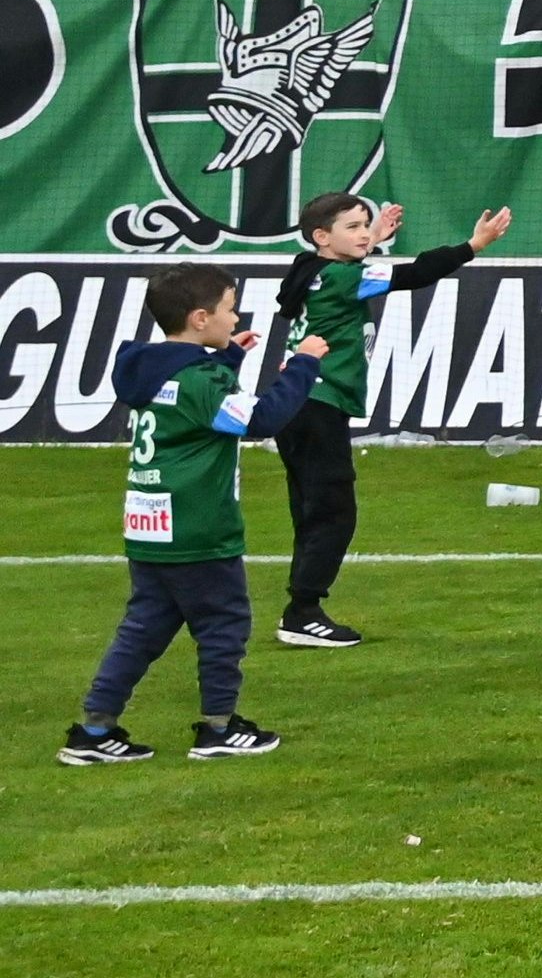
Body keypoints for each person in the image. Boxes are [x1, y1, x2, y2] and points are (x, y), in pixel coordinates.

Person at [64, 266, 324, 764]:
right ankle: (219, 727)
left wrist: (228, 355)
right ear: (200, 318)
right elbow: (260, 419)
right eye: (229, 308)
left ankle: (94, 730)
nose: (236, 317)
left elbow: (193, 399)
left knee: (142, 630)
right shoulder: (200, 378)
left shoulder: (150, 368)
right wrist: (302, 365)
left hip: (149, 525)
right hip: (198, 528)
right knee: (224, 625)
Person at [270, 194, 513, 648]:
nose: (364, 233)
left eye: (366, 224)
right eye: (353, 227)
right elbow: (415, 273)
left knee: (312, 508)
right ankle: (302, 612)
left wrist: (372, 239)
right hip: (318, 403)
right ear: (322, 236)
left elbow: (341, 263)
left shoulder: (311, 267)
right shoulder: (346, 278)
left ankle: (301, 607)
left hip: (295, 403)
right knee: (334, 511)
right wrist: (473, 246)